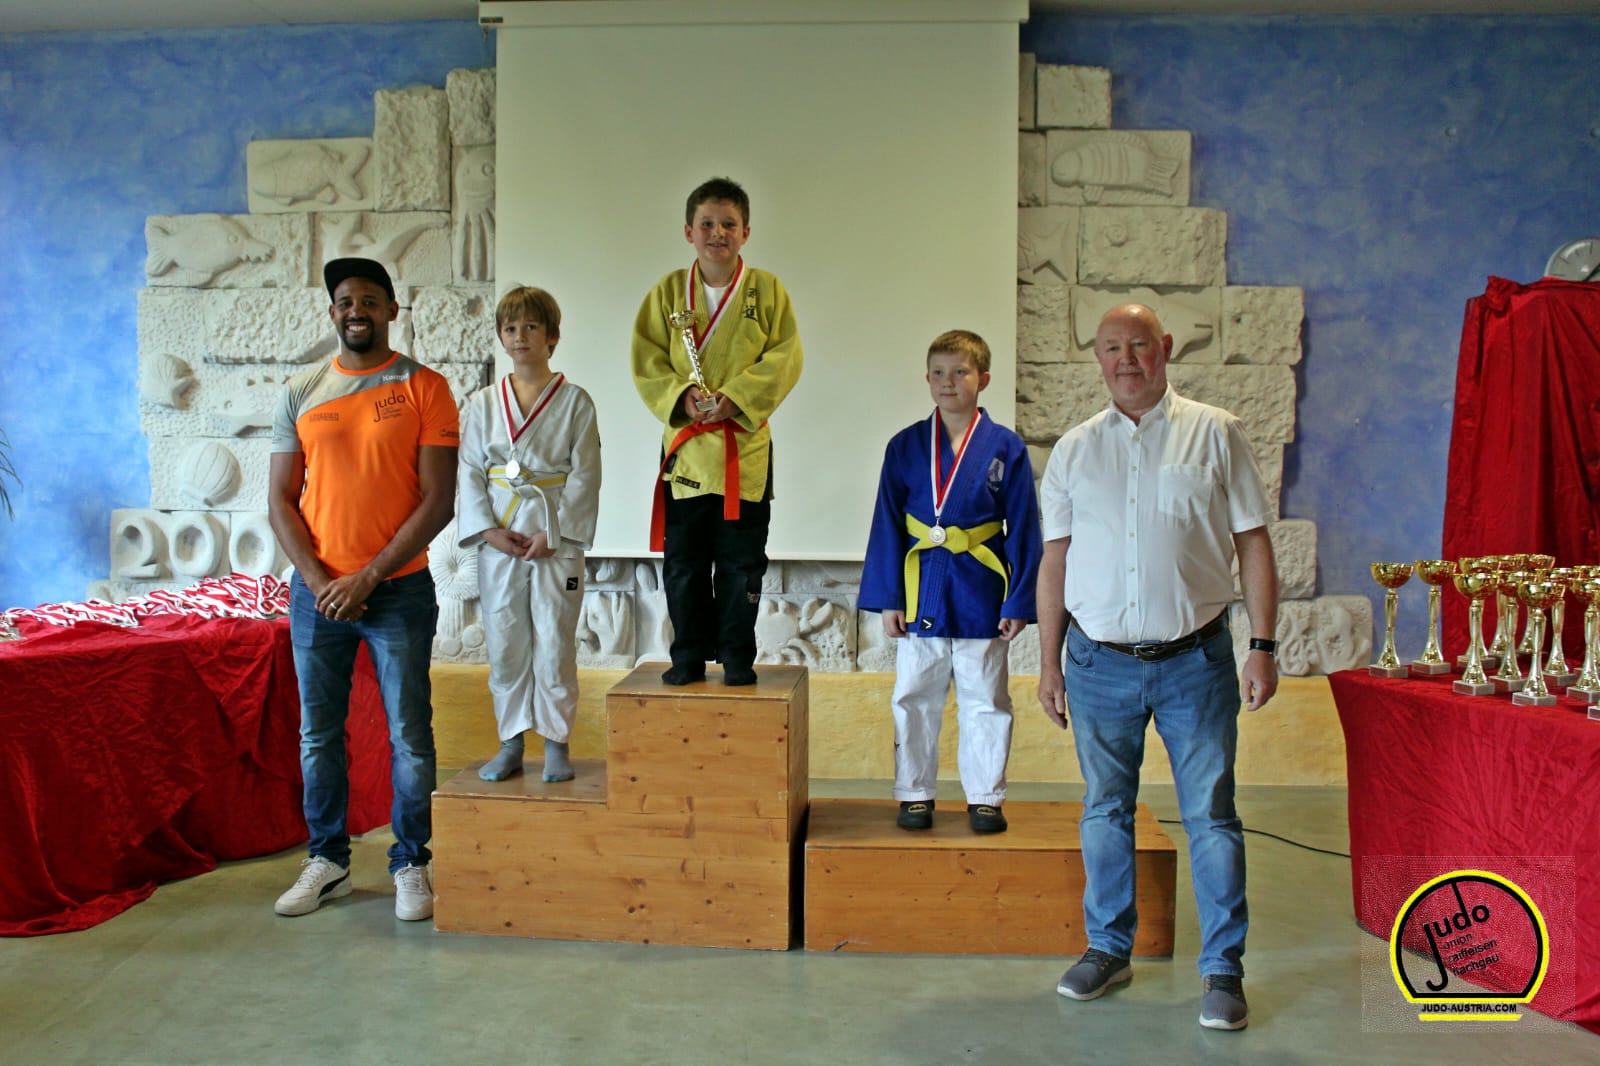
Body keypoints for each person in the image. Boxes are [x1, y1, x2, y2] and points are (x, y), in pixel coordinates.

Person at [1035, 303, 1279, 1031]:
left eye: (1139, 344)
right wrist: (1048, 664)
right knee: (1105, 809)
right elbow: (1055, 561)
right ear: (1098, 357)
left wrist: (1262, 646)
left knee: (1211, 815)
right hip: (1097, 664)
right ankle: (1109, 949)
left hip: (1196, 662)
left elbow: (1253, 543)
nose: (1126, 359)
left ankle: (1223, 969)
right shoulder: (1073, 450)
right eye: (1112, 347)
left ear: (1165, 348)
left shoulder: (1216, 432)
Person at [268, 257, 459, 922]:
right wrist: (322, 582)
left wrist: (368, 576)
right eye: (347, 301)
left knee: (409, 735)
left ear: (392, 311)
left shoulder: (425, 387)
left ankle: (411, 862)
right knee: (318, 736)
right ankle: (328, 862)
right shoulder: (300, 390)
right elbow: (280, 500)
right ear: (333, 312)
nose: (358, 311)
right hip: (316, 596)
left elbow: (439, 501)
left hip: (398, 591)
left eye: (371, 301)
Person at [859, 330, 1042, 834]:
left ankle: (985, 797)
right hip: (921, 588)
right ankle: (915, 793)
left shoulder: (1006, 447)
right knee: (914, 695)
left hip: (982, 589)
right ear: (927, 378)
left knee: (986, 699)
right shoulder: (905, 445)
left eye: (960, 372)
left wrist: (1018, 600)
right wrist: (890, 599)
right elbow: (887, 524)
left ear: (983, 379)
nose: (948, 382)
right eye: (939, 372)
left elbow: (1024, 527)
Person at [631, 177, 803, 686]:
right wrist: (681, 396)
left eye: (729, 223)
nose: (717, 233)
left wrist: (738, 397)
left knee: (741, 564)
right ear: (689, 231)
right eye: (707, 223)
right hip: (687, 452)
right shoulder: (668, 292)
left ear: (746, 231)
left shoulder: (767, 291)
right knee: (683, 563)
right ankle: (686, 654)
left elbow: (785, 356)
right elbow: (647, 358)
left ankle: (736, 656)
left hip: (742, 450)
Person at [457, 286, 601, 784]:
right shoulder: (482, 404)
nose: (520, 337)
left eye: (531, 327)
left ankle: (557, 742)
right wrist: (487, 531)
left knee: (555, 638)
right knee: (505, 639)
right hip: (501, 536)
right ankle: (511, 742)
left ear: (552, 336)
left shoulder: (576, 403)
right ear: (501, 337)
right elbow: (469, 470)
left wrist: (555, 532)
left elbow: (586, 474)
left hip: (553, 537)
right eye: (511, 328)